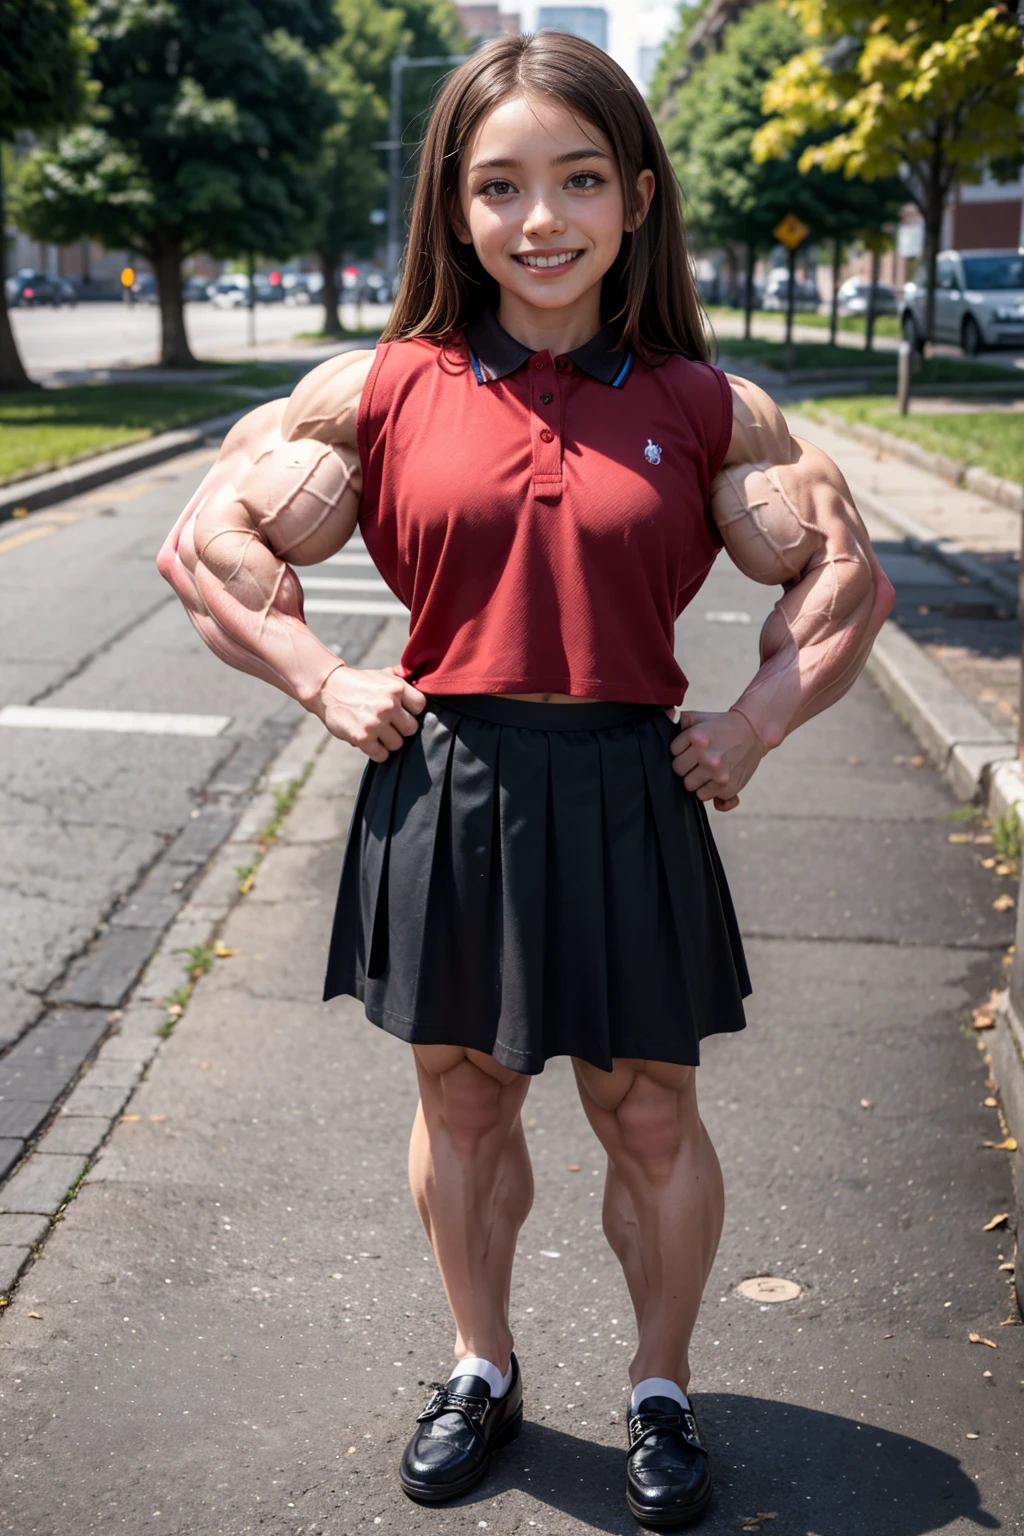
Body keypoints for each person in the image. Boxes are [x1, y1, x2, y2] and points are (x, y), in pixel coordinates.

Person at [157, 30, 893, 1530]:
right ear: (454, 206)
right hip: (451, 779)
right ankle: (479, 1365)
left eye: (575, 180)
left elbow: (849, 584)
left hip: (632, 781)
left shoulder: (707, 404)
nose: (540, 219)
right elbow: (201, 548)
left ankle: (661, 1386)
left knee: (649, 1116)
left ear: (633, 196)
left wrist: (753, 720)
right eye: (500, 187)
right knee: (467, 1100)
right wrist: (319, 676)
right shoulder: (372, 388)